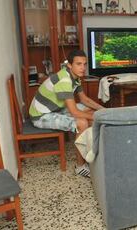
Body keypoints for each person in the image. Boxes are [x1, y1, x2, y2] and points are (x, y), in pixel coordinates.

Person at [29, 49, 105, 178]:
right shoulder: (65, 80)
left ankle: (90, 153)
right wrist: (97, 116)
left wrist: (103, 110)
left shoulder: (75, 77)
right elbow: (74, 112)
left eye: (84, 64)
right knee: (82, 122)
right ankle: (80, 166)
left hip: (55, 108)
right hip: (41, 115)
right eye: (78, 64)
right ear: (70, 65)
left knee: (89, 112)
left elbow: (84, 99)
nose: (83, 68)